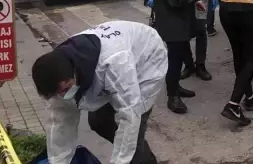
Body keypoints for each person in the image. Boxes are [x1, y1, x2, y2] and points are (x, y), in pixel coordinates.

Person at [31, 21, 166, 164]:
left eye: (65, 89)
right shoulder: (59, 71)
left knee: (133, 132)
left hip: (146, 61)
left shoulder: (115, 63)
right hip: (117, 57)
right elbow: (60, 122)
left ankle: (144, 160)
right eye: (58, 93)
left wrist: (119, 161)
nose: (63, 96)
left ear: (75, 73)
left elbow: (129, 116)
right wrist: (59, 161)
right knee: (99, 121)